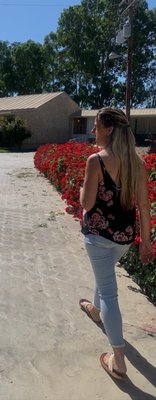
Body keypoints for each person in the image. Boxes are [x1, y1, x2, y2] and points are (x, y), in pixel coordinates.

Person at [79, 107, 154, 380]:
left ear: (108, 129)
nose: (92, 131)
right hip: (123, 237)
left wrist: (80, 193)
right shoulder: (137, 162)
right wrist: (145, 242)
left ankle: (118, 360)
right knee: (105, 276)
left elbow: (87, 204)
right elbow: (144, 205)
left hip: (98, 238)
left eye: (95, 126)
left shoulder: (95, 161)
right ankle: (95, 310)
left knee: (109, 291)